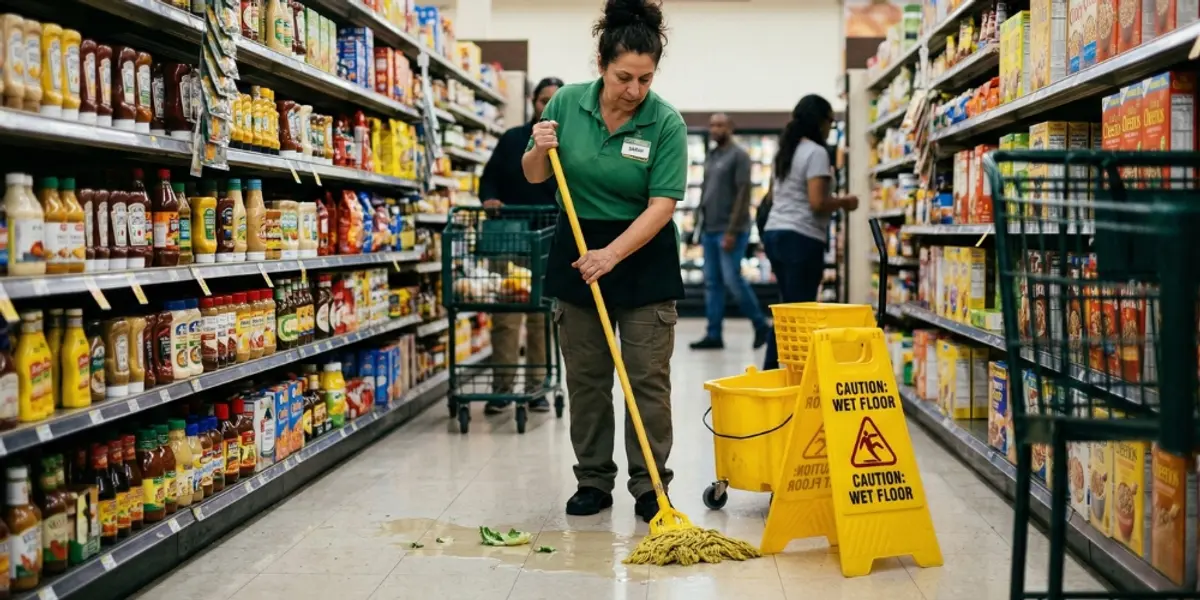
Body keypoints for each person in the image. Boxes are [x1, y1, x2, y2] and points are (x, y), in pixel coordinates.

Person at [522, 0, 685, 523]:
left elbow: (662, 205)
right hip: (577, 245)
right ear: (601, 64)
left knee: (646, 378)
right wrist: (538, 147)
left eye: (645, 78)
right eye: (623, 77)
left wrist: (612, 255)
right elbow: (533, 175)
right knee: (588, 378)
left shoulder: (666, 123)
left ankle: (650, 485)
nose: (634, 90)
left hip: (640, 252)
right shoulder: (566, 104)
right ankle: (593, 479)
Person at [478, 77, 564, 415]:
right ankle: (502, 389)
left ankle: (537, 389)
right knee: (506, 317)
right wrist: (488, 198)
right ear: (532, 101)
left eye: (554, 101)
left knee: (542, 318)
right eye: (544, 100)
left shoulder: (569, 142)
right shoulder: (513, 138)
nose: (548, 107)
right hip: (509, 236)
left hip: (549, 239)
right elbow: (489, 176)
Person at [761, 95, 858, 370]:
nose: (830, 127)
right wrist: (845, 202)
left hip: (776, 233)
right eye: (830, 121)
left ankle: (778, 371)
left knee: (786, 309)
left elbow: (772, 196)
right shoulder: (816, 152)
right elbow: (817, 203)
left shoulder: (786, 150)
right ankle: (782, 373)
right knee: (796, 312)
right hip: (800, 238)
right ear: (820, 121)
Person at [690, 113, 770, 351]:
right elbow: (705, 192)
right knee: (712, 284)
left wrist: (732, 231)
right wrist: (697, 224)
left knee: (733, 280)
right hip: (710, 229)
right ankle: (714, 334)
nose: (715, 128)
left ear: (730, 128)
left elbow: (743, 195)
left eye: (720, 125)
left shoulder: (740, 156)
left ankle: (760, 324)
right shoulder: (712, 156)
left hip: (730, 231)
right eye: (712, 125)